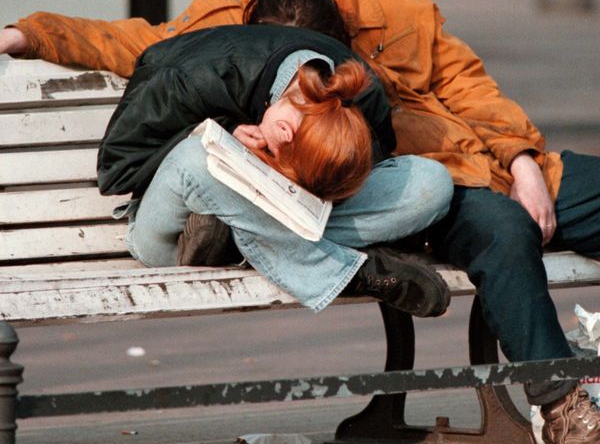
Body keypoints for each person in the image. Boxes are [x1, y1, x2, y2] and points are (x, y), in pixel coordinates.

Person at [2, 0, 599, 444]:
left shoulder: (394, 6)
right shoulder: (217, 27)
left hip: (440, 172)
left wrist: (522, 160)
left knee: (455, 187)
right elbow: (119, 40)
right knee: (499, 226)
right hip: (350, 197)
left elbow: (471, 87)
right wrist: (24, 34)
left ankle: (257, 233)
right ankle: (560, 402)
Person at [97, 23, 453, 317]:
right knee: (199, 158)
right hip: (171, 237)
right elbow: (117, 170)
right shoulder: (189, 77)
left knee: (430, 182)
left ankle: (246, 246)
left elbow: (363, 174)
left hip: (226, 235)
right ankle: (351, 274)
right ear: (284, 132)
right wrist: (222, 130)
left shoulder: (357, 94)